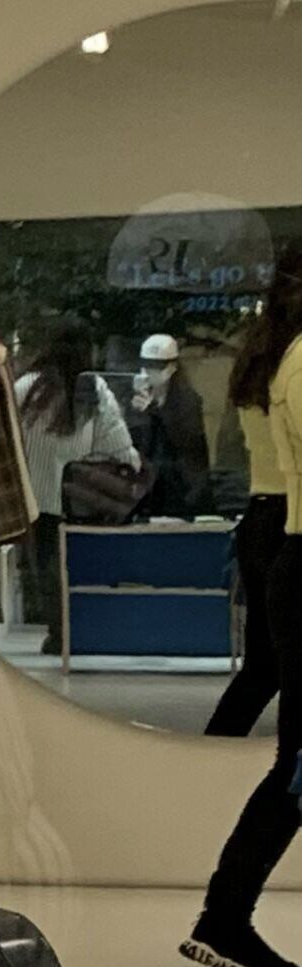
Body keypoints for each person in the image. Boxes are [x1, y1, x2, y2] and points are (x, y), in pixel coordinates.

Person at [188, 251, 302, 967]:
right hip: (289, 535)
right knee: (295, 760)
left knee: (273, 696)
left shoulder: (269, 356)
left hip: (274, 526)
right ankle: (224, 917)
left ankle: (224, 916)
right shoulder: (299, 359)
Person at [10, 329, 137, 653]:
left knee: (45, 567)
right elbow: (119, 447)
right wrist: (133, 469)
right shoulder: (94, 391)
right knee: (78, 567)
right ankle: (81, 630)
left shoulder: (24, 389)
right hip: (79, 499)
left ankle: (58, 633)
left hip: (33, 498)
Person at [207, 288, 293, 739]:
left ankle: (211, 750)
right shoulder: (294, 368)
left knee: (263, 665)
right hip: (290, 518)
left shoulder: (257, 363)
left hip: (259, 516)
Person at [127, 330, 212, 520]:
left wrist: (155, 411)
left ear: (172, 366)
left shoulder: (187, 400)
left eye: (157, 366)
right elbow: (136, 445)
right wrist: (138, 415)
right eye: (147, 365)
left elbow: (186, 443)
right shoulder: (136, 399)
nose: (150, 372)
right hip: (149, 489)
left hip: (182, 491)